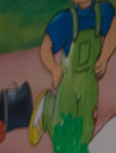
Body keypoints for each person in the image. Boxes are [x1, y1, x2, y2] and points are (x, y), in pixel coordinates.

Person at [29, 0, 116, 145]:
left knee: (85, 134)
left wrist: (104, 57)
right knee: (62, 130)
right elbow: (45, 46)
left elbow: (114, 28)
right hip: (69, 83)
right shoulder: (65, 20)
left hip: (90, 82)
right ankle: (47, 107)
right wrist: (54, 68)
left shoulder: (103, 12)